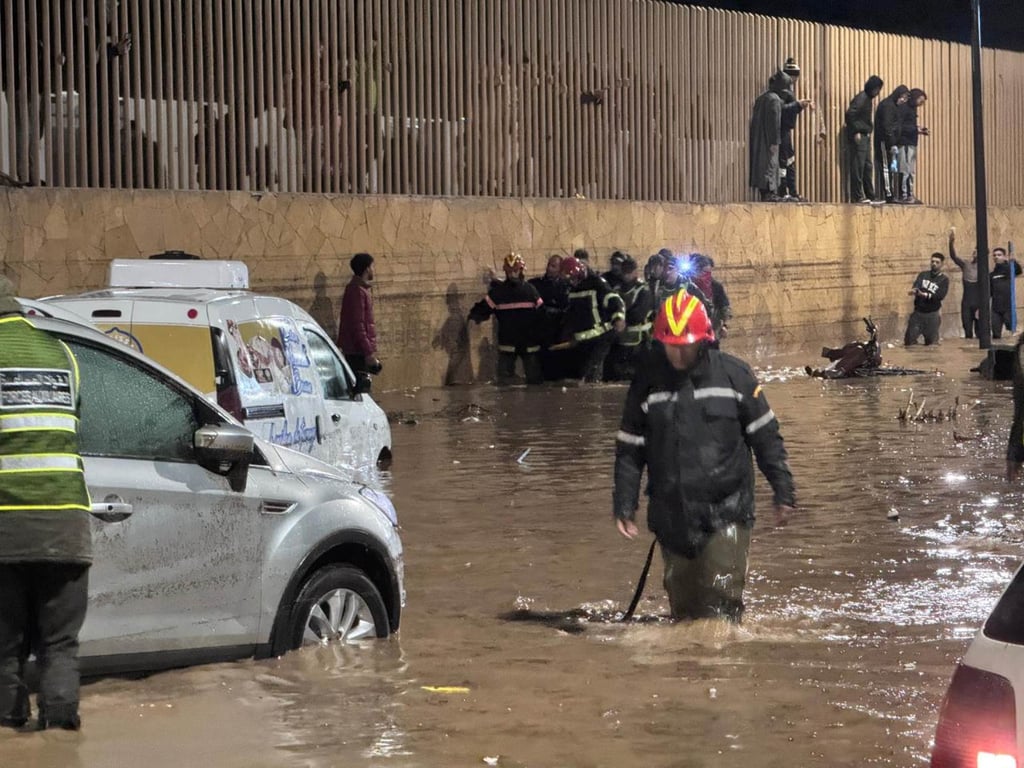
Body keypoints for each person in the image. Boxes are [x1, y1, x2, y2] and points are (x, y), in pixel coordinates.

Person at [613, 291, 796, 621]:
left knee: (721, 603)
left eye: (687, 346)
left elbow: (766, 438)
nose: (679, 354)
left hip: (727, 511)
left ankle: (726, 665)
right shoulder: (647, 384)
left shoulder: (735, 376)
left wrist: (783, 490)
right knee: (683, 611)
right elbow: (629, 450)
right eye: (673, 346)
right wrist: (625, 504)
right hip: (671, 516)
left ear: (704, 340)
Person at [0, 275, 92, 731]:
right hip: (67, 527)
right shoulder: (63, 354)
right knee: (59, 646)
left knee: (4, 650)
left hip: (5, 530)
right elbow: (72, 423)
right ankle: (59, 741)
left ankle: (10, 734)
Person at [468, 252, 545, 385]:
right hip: (527, 343)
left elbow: (483, 308)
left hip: (510, 343)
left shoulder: (500, 292)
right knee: (533, 382)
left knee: (506, 383)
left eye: (514, 271)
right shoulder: (530, 290)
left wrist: (475, 316)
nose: (512, 275)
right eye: (511, 271)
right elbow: (543, 315)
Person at [558, 255, 625, 382]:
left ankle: (595, 399)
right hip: (584, 340)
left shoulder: (597, 283)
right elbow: (573, 313)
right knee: (584, 374)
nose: (572, 282)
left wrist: (618, 317)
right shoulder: (572, 289)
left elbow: (614, 300)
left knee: (592, 374)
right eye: (569, 280)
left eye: (574, 279)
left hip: (601, 337)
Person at [605, 256, 654, 382]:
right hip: (619, 340)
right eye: (625, 271)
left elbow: (639, 314)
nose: (626, 275)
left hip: (639, 340)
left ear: (635, 271)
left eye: (629, 271)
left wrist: (622, 319)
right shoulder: (616, 289)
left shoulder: (643, 289)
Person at [749, 70, 793, 202]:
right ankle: (770, 192)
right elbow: (774, 124)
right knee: (770, 163)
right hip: (769, 140)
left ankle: (766, 192)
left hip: (758, 138)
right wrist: (775, 142)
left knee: (761, 164)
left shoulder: (762, 98)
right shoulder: (774, 100)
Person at [336, 252, 381, 374]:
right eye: (372, 267)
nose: (373, 270)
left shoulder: (358, 289)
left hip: (357, 350)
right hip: (357, 351)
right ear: (367, 269)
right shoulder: (357, 291)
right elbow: (358, 325)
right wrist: (368, 352)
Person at [778, 58, 815, 202]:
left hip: (786, 130)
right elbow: (782, 110)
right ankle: (784, 191)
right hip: (783, 130)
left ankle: (792, 191)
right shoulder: (784, 91)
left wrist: (800, 105)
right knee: (784, 161)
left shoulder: (787, 90)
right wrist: (798, 105)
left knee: (789, 160)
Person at [845, 75, 884, 203]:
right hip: (860, 135)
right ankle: (858, 196)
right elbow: (850, 114)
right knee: (859, 166)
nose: (878, 93)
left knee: (867, 166)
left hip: (865, 135)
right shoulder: (862, 98)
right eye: (877, 89)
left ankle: (870, 195)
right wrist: (856, 130)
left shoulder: (867, 99)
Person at [806, 318, 882, 378]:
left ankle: (838, 370)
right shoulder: (858, 346)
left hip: (864, 361)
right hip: (852, 362)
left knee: (860, 349)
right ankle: (831, 361)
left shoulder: (866, 349)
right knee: (856, 346)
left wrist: (874, 336)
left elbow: (873, 349)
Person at [904, 252, 950, 346]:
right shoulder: (923, 275)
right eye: (932, 261)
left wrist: (924, 295)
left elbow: (940, 296)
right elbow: (916, 285)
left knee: (931, 344)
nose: (934, 264)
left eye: (937, 262)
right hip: (918, 313)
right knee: (909, 342)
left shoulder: (944, 280)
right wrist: (914, 290)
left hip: (932, 315)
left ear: (942, 264)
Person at [873, 85, 909, 203]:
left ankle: (892, 192)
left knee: (892, 167)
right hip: (885, 142)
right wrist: (892, 143)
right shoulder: (887, 105)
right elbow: (887, 126)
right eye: (902, 97)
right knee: (886, 166)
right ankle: (888, 193)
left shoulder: (896, 107)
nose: (903, 101)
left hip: (893, 142)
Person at [896, 88, 929, 204]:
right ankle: (903, 194)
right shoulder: (904, 108)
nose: (921, 103)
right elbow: (901, 126)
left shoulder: (912, 109)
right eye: (921, 99)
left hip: (911, 142)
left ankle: (910, 194)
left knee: (910, 170)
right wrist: (916, 129)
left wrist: (918, 129)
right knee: (904, 169)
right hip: (904, 142)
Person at [948, 228, 980, 339]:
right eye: (974, 250)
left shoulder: (985, 269)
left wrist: (983, 307)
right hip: (966, 303)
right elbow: (953, 256)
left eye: (977, 251)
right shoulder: (966, 265)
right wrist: (951, 242)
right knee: (967, 330)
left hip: (979, 304)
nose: (974, 252)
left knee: (980, 332)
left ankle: (978, 355)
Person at [990, 245, 1021, 340]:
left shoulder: (1009, 269)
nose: (996, 257)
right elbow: (989, 292)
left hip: (1008, 306)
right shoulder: (992, 274)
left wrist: (1014, 261)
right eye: (994, 255)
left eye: (999, 255)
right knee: (995, 334)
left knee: (1012, 331)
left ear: (1004, 256)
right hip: (996, 307)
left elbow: (1018, 271)